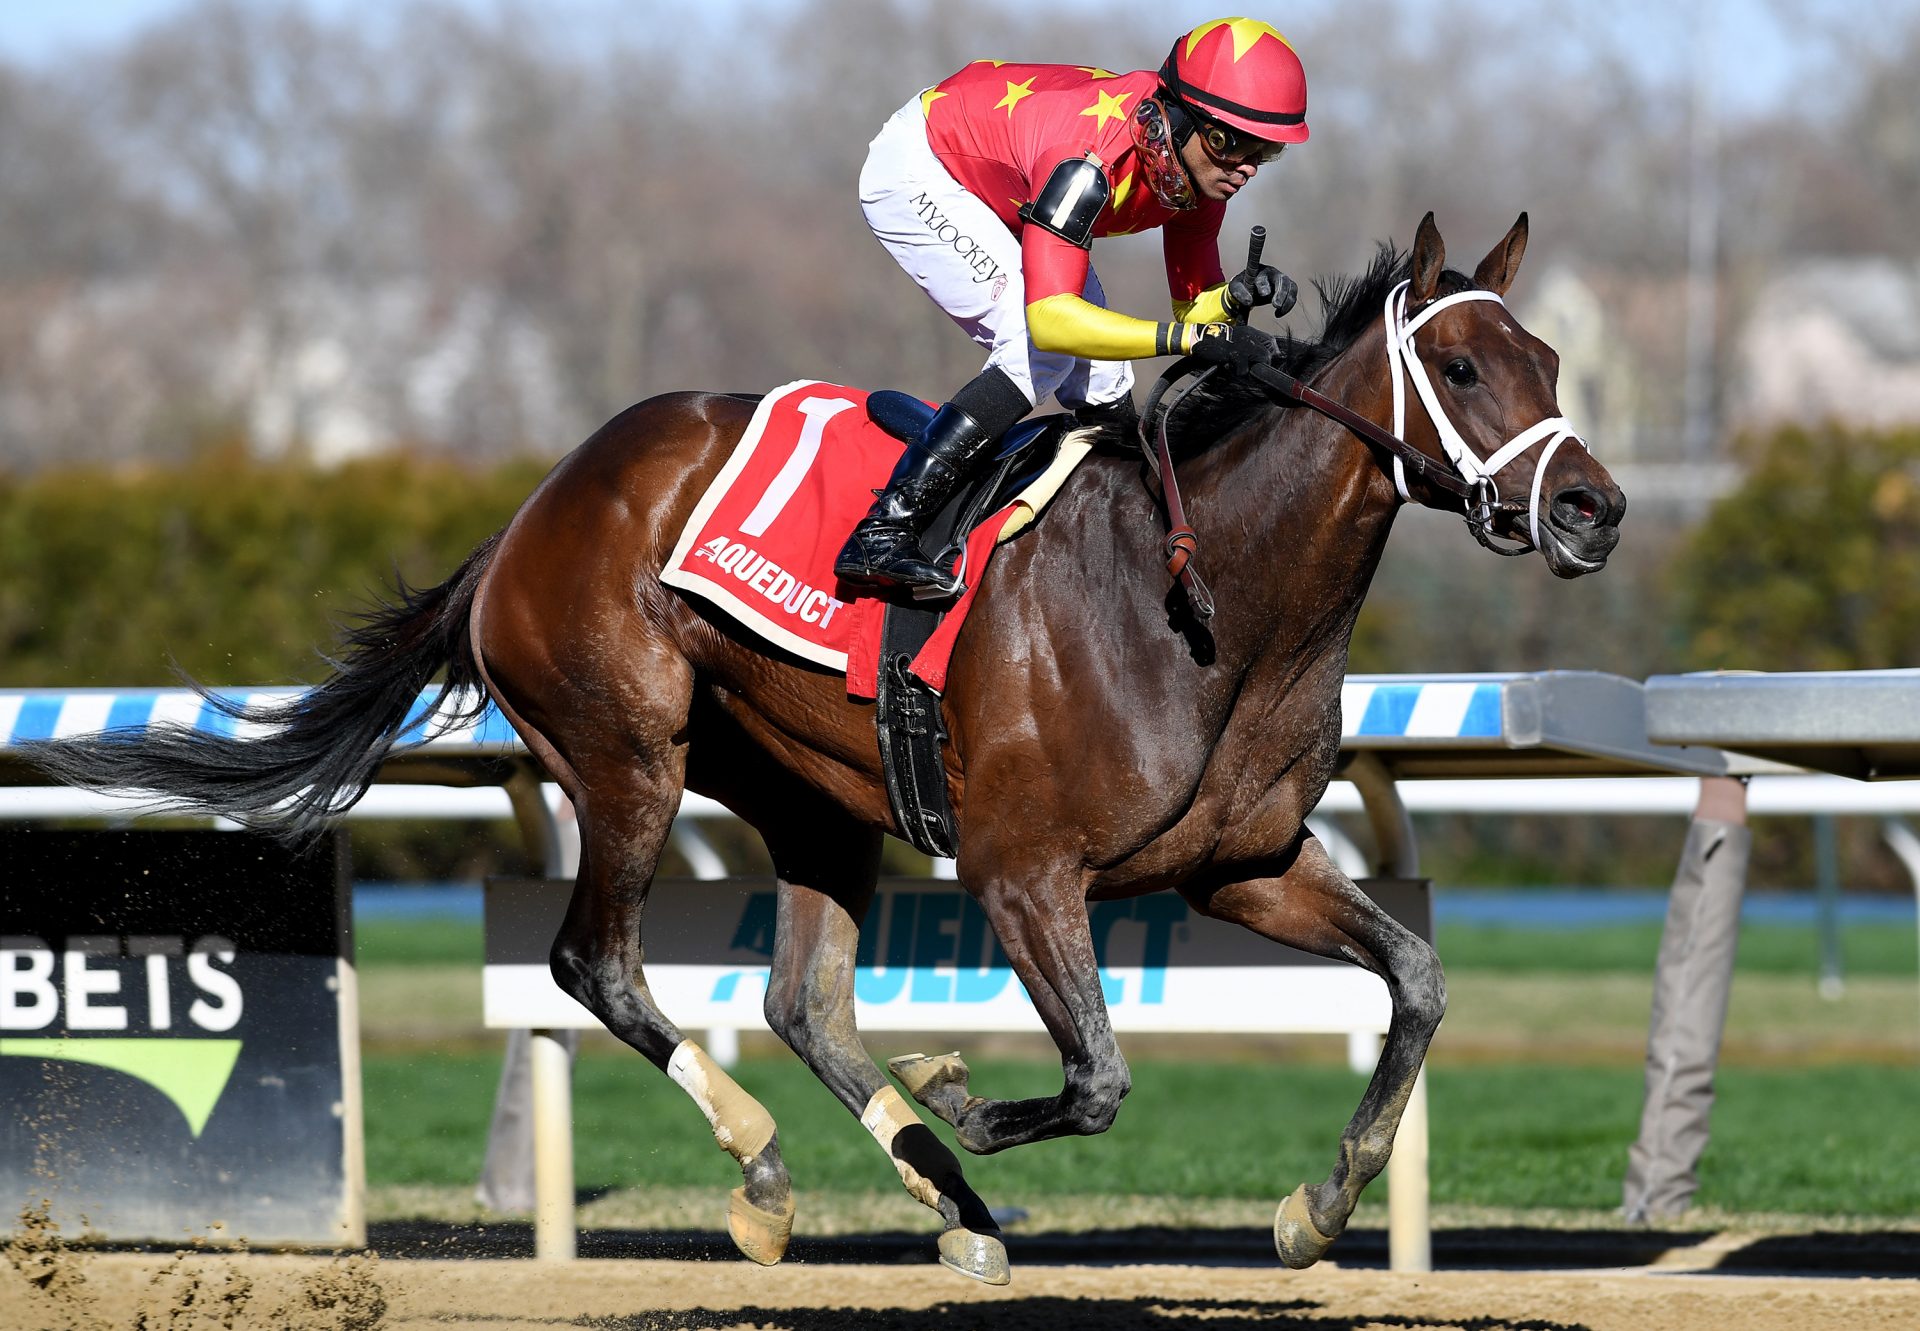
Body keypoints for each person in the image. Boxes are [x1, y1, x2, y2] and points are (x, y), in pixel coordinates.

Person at [836, 18, 1309, 599]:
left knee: (1109, 375)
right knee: (1041, 350)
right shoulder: (1089, 163)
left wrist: (1234, 299)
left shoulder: (1197, 175)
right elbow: (1052, 320)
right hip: (925, 169)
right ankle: (884, 530)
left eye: (1265, 152)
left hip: (1006, 178)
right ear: (1180, 119)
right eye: (1230, 143)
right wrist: (1184, 340)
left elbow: (1196, 316)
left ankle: (1114, 525)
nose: (1245, 167)